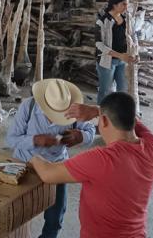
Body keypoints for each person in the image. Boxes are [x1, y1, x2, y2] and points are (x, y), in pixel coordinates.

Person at [29, 93, 153, 238]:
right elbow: (134, 120)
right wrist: (98, 111)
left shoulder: (102, 160)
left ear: (103, 120)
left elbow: (47, 173)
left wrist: (33, 156)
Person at [6, 79, 96, 238]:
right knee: (19, 214)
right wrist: (35, 140)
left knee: (55, 217)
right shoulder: (28, 106)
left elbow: (91, 132)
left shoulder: (74, 110)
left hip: (57, 165)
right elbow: (11, 139)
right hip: (26, 164)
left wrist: (80, 136)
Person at [95, 0, 137, 105]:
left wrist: (135, 52)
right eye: (124, 4)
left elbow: (133, 36)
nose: (126, 7)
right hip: (107, 61)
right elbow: (99, 45)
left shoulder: (127, 19)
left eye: (127, 4)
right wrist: (119, 55)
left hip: (123, 61)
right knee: (105, 91)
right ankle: (101, 113)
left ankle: (118, 112)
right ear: (114, 5)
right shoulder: (102, 21)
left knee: (123, 89)